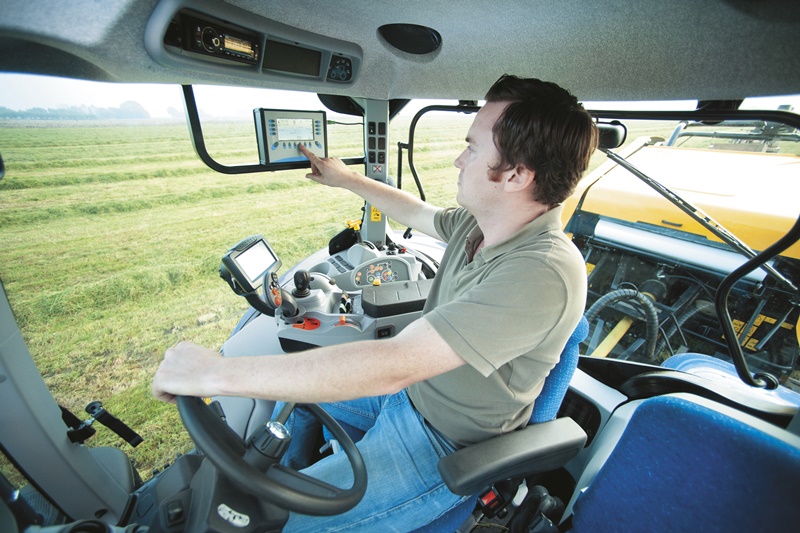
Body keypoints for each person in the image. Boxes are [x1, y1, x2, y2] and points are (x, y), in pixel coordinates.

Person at [152, 74, 598, 531]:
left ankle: (293, 508)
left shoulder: (541, 273)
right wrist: (346, 179)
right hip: (412, 395)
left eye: (472, 148)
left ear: (517, 175)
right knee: (295, 394)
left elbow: (397, 363)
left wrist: (215, 373)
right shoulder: (481, 225)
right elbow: (416, 212)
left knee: (277, 524)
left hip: (444, 441)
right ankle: (298, 475)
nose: (458, 159)